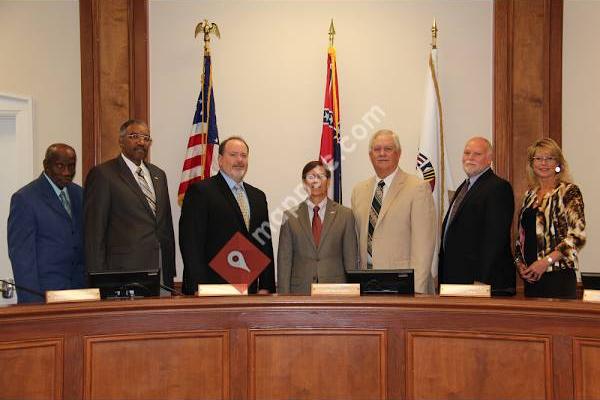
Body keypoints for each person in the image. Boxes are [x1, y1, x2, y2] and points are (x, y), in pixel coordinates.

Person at [84, 119, 176, 292]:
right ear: (120, 141)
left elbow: (165, 224)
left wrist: (170, 269)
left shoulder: (158, 175)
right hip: (123, 272)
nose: (141, 142)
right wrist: (99, 280)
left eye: (146, 138)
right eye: (134, 136)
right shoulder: (103, 175)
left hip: (161, 270)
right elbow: (94, 233)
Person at [179, 136, 275, 295]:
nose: (239, 160)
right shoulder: (201, 191)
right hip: (211, 288)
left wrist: (266, 285)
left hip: (248, 289)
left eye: (244, 155)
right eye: (233, 155)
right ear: (220, 160)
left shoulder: (258, 196)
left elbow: (264, 242)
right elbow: (191, 243)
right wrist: (198, 287)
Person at [351, 129, 435, 294]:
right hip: (367, 284)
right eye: (377, 149)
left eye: (388, 149)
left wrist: (416, 290)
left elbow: (424, 247)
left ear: (398, 154)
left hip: (403, 285)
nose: (382, 153)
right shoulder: (359, 191)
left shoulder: (418, 188)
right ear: (370, 156)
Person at [7, 144, 85, 303]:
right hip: (45, 298)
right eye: (60, 166)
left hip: (81, 296)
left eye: (71, 166)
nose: (67, 172)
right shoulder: (25, 199)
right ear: (46, 165)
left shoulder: (80, 194)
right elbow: (22, 260)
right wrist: (33, 307)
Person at [438, 137, 516, 294]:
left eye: (477, 154)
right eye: (467, 153)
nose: (470, 158)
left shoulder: (498, 188)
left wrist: (481, 280)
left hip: (479, 283)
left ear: (489, 159)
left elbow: (495, 239)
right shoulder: (464, 187)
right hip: (455, 280)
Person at [515, 138, 586, 299]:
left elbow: (577, 237)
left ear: (558, 163)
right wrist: (520, 265)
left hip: (558, 275)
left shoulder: (569, 192)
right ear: (532, 164)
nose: (543, 163)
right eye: (538, 158)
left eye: (549, 158)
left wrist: (544, 262)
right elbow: (521, 238)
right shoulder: (529, 196)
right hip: (531, 277)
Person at [277, 160, 358, 294]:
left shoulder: (345, 215)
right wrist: (284, 298)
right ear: (304, 183)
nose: (316, 181)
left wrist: (352, 295)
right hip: (300, 293)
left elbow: (351, 261)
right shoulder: (289, 217)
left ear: (328, 181)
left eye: (321, 176)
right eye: (311, 177)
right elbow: (284, 263)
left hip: (336, 292)